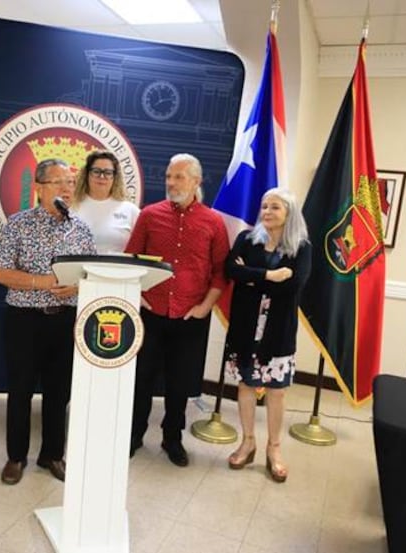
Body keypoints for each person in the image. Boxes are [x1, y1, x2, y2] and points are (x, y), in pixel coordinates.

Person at [0, 158, 97, 485]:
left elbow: (89, 274)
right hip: (24, 319)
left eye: (69, 182)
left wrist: (77, 285)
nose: (66, 188)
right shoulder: (18, 224)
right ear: (39, 187)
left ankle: (52, 454)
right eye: (58, 182)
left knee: (59, 391)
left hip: (65, 320)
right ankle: (15, 457)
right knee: (20, 390)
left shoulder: (81, 228)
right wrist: (44, 282)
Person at [124, 153, 228, 467]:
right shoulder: (149, 215)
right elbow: (131, 258)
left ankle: (173, 438)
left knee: (179, 383)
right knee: (141, 379)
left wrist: (204, 307)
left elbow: (221, 272)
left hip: (190, 316)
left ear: (196, 181)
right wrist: (137, 294)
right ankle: (134, 434)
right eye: (169, 176)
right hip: (151, 313)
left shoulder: (214, 222)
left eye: (179, 177)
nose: (171, 183)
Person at [223, 188, 311, 483]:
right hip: (245, 328)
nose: (267, 211)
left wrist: (251, 277)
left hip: (278, 331)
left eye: (275, 207)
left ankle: (274, 449)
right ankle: (248, 442)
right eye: (264, 206)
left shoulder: (301, 247)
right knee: (246, 385)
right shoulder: (246, 240)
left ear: (289, 213)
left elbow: (294, 286)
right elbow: (230, 272)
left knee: (277, 391)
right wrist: (269, 276)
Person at [71, 149, 140, 253]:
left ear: (115, 177)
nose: (102, 177)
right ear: (87, 174)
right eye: (96, 171)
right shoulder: (71, 207)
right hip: (77, 269)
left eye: (108, 172)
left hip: (118, 268)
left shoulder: (130, 211)